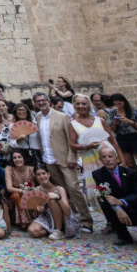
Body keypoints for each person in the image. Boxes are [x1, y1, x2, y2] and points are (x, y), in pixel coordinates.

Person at [33, 93, 92, 232]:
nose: (41, 103)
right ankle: (73, 219)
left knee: (74, 189)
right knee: (62, 191)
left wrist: (72, 157)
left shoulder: (62, 116)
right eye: (38, 101)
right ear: (35, 103)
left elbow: (71, 139)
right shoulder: (38, 117)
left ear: (49, 101)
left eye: (43, 100)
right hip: (49, 160)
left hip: (64, 159)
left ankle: (86, 221)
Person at [69, 93, 122, 214]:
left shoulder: (100, 120)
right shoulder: (73, 124)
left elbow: (113, 141)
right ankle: (108, 217)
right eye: (78, 104)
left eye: (84, 103)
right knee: (97, 189)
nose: (81, 106)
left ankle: (119, 213)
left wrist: (121, 159)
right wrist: (86, 146)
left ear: (89, 105)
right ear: (74, 106)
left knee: (113, 185)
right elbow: (72, 144)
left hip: (107, 155)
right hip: (89, 159)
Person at [27, 164, 79, 240]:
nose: (42, 176)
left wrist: (58, 197)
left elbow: (68, 212)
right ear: (36, 177)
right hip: (48, 218)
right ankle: (51, 231)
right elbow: (40, 210)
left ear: (48, 174)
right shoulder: (37, 190)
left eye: (43, 173)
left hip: (64, 217)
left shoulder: (59, 189)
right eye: (38, 174)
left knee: (51, 200)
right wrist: (40, 209)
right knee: (32, 231)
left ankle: (59, 230)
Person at [4, 150, 40, 230]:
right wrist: (23, 191)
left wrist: (32, 191)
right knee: (16, 195)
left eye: (19, 157)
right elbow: (9, 188)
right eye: (14, 158)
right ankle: (23, 222)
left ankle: (34, 219)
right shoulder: (9, 169)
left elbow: (40, 183)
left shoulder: (31, 169)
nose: (17, 160)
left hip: (31, 195)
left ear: (24, 158)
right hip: (15, 198)